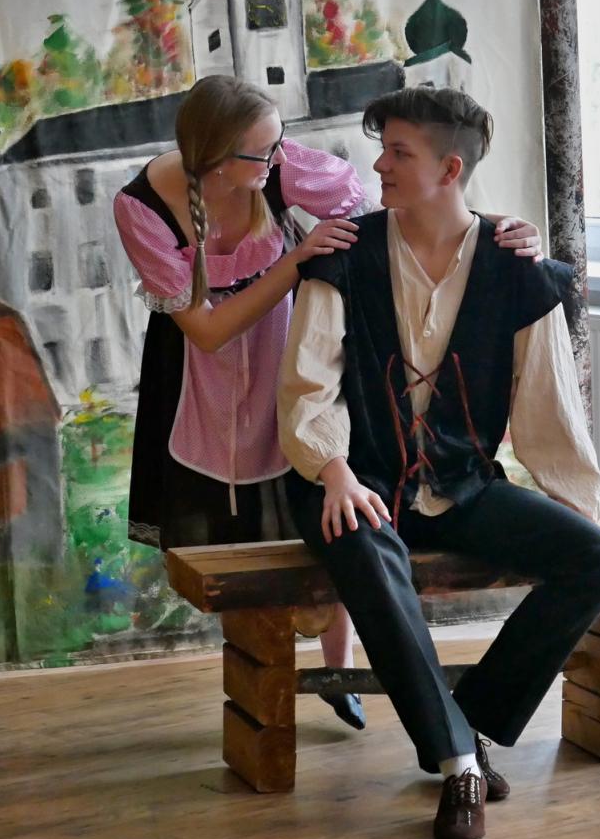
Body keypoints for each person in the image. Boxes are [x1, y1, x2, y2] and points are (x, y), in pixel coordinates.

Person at [114, 76, 543, 730]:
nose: (280, 157)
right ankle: (260, 681)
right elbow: (207, 331)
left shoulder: (278, 165)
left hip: (291, 348)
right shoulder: (143, 206)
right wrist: (297, 261)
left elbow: (389, 218)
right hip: (203, 379)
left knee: (328, 497)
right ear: (220, 160)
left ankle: (339, 670)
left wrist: (490, 229)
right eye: (264, 152)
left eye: (279, 143)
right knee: (234, 532)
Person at [277, 86, 600, 839]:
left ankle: (472, 724)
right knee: (366, 547)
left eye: (398, 152)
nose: (379, 165)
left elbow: (548, 405)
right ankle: (459, 763)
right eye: (383, 150)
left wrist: (574, 509)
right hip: (353, 479)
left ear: (450, 168)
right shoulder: (345, 256)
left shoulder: (518, 269)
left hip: (460, 485)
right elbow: (309, 382)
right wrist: (333, 470)